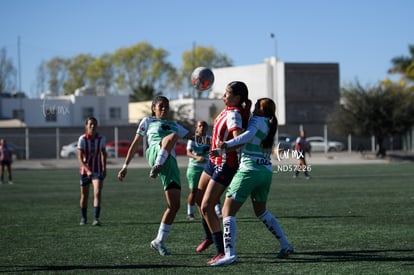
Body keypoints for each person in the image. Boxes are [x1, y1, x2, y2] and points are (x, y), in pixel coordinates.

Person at [211, 98, 294, 266]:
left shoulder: (256, 120)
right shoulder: (270, 123)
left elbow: (247, 136)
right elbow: (250, 141)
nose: (254, 108)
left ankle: (230, 254)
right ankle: (285, 245)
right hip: (266, 172)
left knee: (227, 211)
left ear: (262, 110)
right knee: (261, 212)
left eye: (257, 106)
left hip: (249, 171)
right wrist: (223, 149)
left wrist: (225, 144)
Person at [117, 95, 194, 256]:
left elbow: (194, 138)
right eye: (161, 106)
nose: (164, 109)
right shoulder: (147, 121)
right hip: (154, 152)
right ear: (154, 109)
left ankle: (159, 241)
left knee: (174, 206)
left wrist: (215, 142)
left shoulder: (174, 125)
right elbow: (135, 144)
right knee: (172, 137)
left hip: (170, 163)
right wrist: (125, 166)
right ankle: (157, 164)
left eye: (166, 106)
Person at [195, 81, 251, 265]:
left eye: (227, 93)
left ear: (237, 98)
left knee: (206, 207)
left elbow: (239, 141)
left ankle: (221, 251)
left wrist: (223, 149)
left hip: (225, 164)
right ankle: (210, 235)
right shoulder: (227, 109)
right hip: (213, 162)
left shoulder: (234, 114)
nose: (223, 96)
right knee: (198, 198)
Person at [77, 117, 107, 226]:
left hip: (97, 170)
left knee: (97, 192)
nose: (92, 126)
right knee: (84, 196)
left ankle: (95, 218)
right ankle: (84, 218)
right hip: (85, 172)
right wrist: (86, 169)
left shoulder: (101, 138)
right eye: (90, 124)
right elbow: (80, 158)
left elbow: (103, 153)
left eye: (94, 124)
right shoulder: (82, 139)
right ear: (86, 126)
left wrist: (104, 168)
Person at [186, 120, 211, 221]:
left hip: (207, 168)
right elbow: (188, 152)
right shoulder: (193, 139)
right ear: (196, 128)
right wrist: (197, 157)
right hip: (194, 168)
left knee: (211, 189)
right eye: (200, 126)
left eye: (204, 126)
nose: (202, 128)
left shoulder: (209, 139)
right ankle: (190, 213)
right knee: (194, 191)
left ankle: (218, 211)